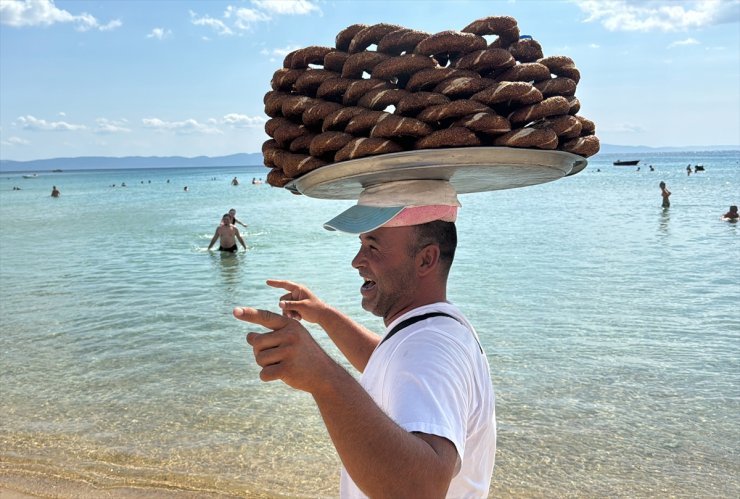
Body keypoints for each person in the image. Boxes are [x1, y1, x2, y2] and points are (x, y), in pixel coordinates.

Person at [234, 180, 496, 498]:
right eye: (361, 244)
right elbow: (392, 367)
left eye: (373, 246)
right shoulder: (433, 330)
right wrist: (324, 315)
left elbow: (422, 490)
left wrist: (322, 378)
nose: (357, 260)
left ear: (426, 260)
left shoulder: (431, 346)